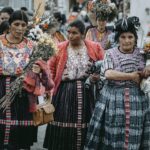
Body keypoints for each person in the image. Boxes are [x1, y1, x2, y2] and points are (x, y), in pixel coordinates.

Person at [84, 16, 150, 150]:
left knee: (134, 135)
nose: (127, 41)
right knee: (113, 135)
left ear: (135, 38)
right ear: (117, 38)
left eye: (130, 37)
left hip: (137, 102)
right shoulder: (110, 53)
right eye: (123, 37)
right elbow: (108, 73)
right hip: (113, 101)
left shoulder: (143, 53)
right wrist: (131, 76)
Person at [43, 20, 104, 150]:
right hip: (65, 92)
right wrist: (49, 89)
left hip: (87, 92)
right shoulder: (59, 47)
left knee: (86, 122)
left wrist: (97, 77)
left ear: (82, 34)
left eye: (74, 33)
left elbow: (103, 66)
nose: (70, 36)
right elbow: (50, 70)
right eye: (69, 32)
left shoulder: (94, 47)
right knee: (63, 120)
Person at [0, 10, 54, 150]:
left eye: (23, 25)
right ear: (10, 24)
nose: (20, 28)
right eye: (16, 24)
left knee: (21, 139)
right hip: (2, 91)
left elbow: (44, 74)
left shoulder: (32, 46)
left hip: (24, 94)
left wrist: (38, 70)